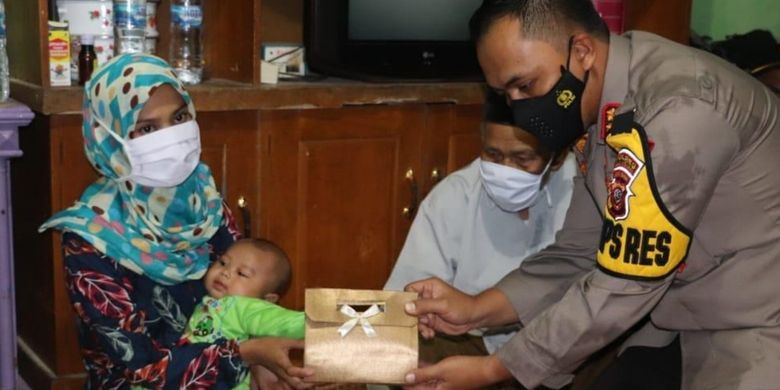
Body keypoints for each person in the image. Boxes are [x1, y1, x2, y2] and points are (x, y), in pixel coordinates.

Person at [402, 0, 780, 389]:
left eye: (525, 85)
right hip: (680, 317)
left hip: (756, 323)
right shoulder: (602, 108)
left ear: (581, 52)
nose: (518, 108)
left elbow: (627, 279)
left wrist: (495, 368)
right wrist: (476, 308)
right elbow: (581, 250)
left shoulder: (678, 109)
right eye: (505, 93)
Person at [39, 53, 312, 389]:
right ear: (109, 139)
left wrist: (262, 365)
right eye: (147, 128)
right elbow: (140, 368)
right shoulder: (91, 236)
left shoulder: (205, 202)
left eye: (180, 117)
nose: (171, 137)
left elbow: (241, 304)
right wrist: (246, 354)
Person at [384, 91, 576, 362]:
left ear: (556, 158)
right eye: (493, 155)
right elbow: (403, 302)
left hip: (568, 344)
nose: (505, 170)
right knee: (401, 353)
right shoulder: (454, 196)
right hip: (477, 342)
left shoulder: (584, 191)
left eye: (522, 159)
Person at [182, 238, 305, 390]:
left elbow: (284, 323)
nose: (226, 272)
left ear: (267, 300)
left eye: (242, 273)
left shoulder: (244, 307)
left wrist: (323, 321)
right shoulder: (204, 303)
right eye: (223, 263)